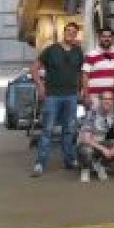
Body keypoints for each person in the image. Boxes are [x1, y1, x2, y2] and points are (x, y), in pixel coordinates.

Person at [30, 21, 83, 177]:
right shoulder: (51, 50)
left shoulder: (78, 51)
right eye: (68, 31)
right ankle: (40, 163)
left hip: (71, 96)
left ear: (76, 35)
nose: (71, 34)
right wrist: (40, 86)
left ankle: (69, 160)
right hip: (52, 96)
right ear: (64, 32)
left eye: (74, 32)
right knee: (47, 129)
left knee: (69, 130)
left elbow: (80, 73)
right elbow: (34, 69)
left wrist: (80, 90)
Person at [77, 92, 114, 182]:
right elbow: (86, 139)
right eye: (105, 99)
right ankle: (85, 169)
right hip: (86, 144)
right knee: (87, 151)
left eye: (110, 99)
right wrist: (104, 150)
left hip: (101, 143)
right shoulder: (92, 113)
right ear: (100, 100)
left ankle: (100, 166)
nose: (107, 102)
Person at [81, 26, 114, 109]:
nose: (107, 39)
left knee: (110, 121)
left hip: (111, 97)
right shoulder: (91, 54)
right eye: (104, 36)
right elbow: (85, 76)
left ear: (112, 38)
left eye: (109, 37)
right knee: (94, 121)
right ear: (99, 38)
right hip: (94, 97)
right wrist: (86, 96)